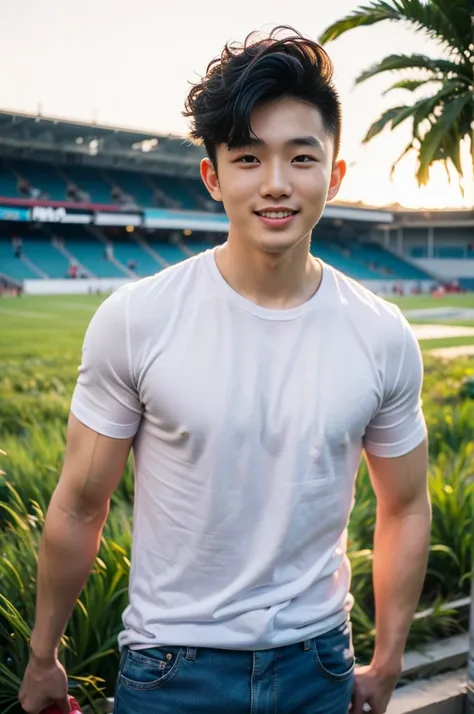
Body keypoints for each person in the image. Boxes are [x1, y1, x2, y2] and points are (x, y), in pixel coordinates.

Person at [19, 25, 431, 714]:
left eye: (301, 158)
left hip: (318, 664)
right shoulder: (136, 319)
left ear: (333, 174)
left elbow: (407, 503)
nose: (276, 184)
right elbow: (78, 504)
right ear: (213, 176)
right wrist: (43, 657)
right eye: (248, 158)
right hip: (170, 669)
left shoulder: (382, 333)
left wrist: (386, 662)